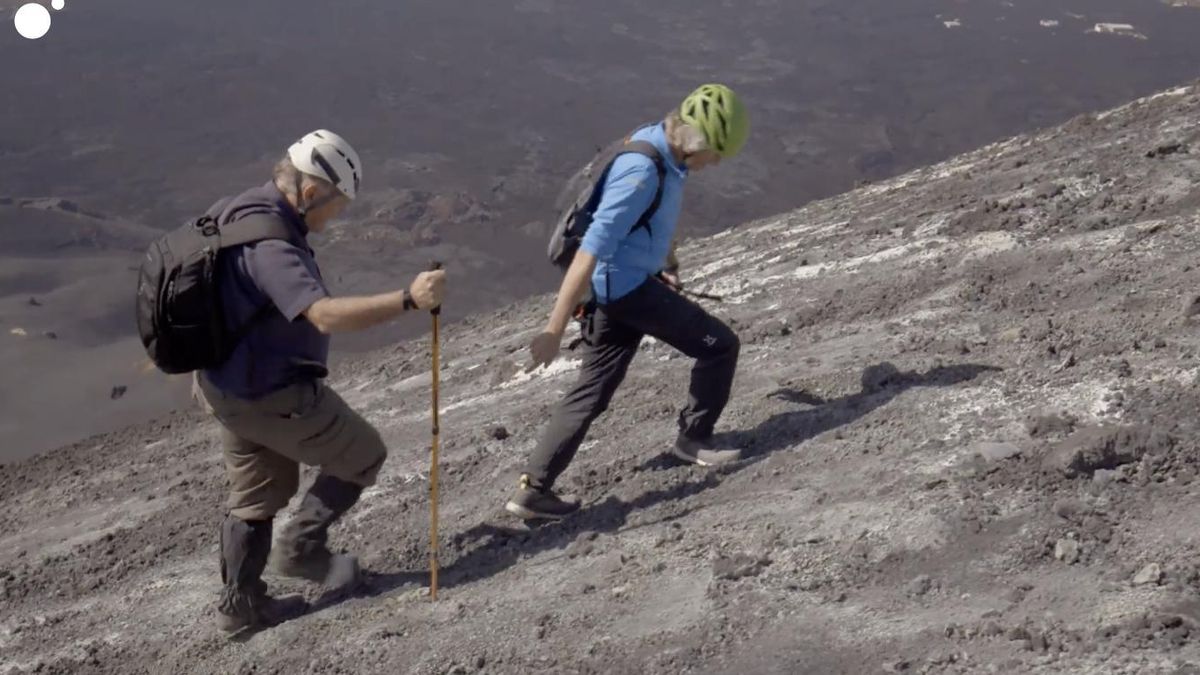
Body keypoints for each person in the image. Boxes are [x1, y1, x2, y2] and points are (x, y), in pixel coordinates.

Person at [192, 129, 446, 634]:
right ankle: (302, 551)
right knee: (363, 452)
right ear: (310, 192)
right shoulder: (272, 247)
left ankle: (240, 606)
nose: (336, 217)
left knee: (257, 494)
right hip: (271, 393)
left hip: (224, 383)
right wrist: (408, 300)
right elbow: (324, 316)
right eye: (336, 205)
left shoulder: (235, 210)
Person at [507, 84, 751, 521]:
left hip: (618, 290)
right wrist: (553, 330)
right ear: (697, 140)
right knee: (719, 347)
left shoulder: (659, 144)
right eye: (715, 153)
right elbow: (589, 252)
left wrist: (664, 263)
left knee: (592, 391)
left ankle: (533, 491)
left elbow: (654, 218)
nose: (715, 164)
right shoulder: (641, 173)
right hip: (627, 293)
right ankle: (694, 439)